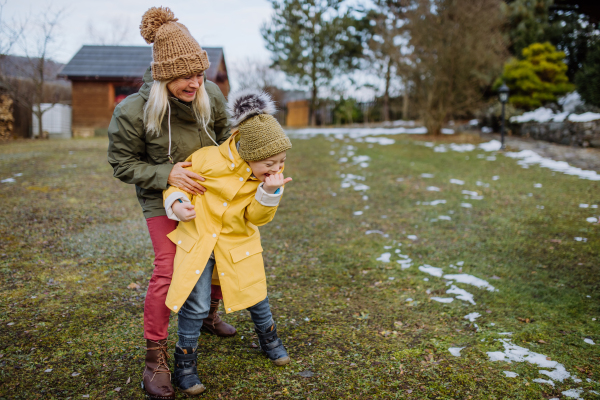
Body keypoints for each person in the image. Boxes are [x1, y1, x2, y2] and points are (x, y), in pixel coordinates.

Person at [107, 7, 236, 400]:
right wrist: (167, 175)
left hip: (209, 193)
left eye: (199, 73)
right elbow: (122, 164)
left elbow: (228, 134)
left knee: (220, 252)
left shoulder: (210, 93)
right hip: (160, 199)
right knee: (169, 266)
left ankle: (207, 314)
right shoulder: (132, 111)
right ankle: (155, 358)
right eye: (185, 76)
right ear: (163, 74)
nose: (195, 83)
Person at [162, 89, 292, 395]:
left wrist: (269, 193)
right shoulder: (206, 159)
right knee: (195, 304)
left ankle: (270, 340)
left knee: (256, 295)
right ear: (248, 153)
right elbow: (176, 186)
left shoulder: (266, 180)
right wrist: (178, 204)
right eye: (270, 163)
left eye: (282, 161)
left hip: (238, 244)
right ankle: (185, 365)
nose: (277, 169)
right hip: (200, 242)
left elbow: (257, 218)